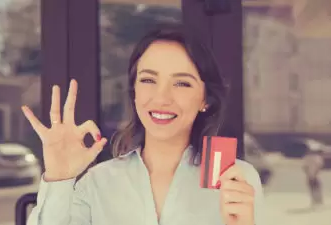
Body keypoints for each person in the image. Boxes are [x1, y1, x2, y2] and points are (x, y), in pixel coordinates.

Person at [22, 24, 264, 225]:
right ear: (134, 91)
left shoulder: (237, 181)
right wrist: (59, 178)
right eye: (148, 79)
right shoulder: (97, 183)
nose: (161, 98)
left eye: (182, 83)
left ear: (205, 100)